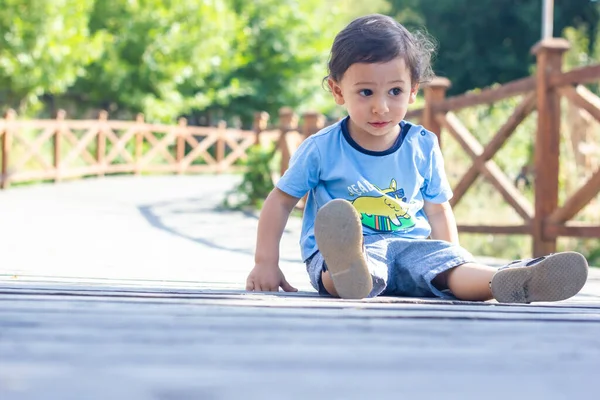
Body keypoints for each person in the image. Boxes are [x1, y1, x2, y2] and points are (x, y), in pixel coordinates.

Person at [245, 14, 589, 302]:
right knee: (357, 268)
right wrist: (266, 262)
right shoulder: (322, 148)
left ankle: (509, 280)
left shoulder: (422, 144)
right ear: (338, 91)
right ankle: (346, 272)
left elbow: (437, 208)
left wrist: (452, 257)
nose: (381, 106)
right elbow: (280, 201)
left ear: (413, 91)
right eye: (365, 92)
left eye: (394, 91)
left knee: (447, 268)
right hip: (355, 251)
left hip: (412, 247)